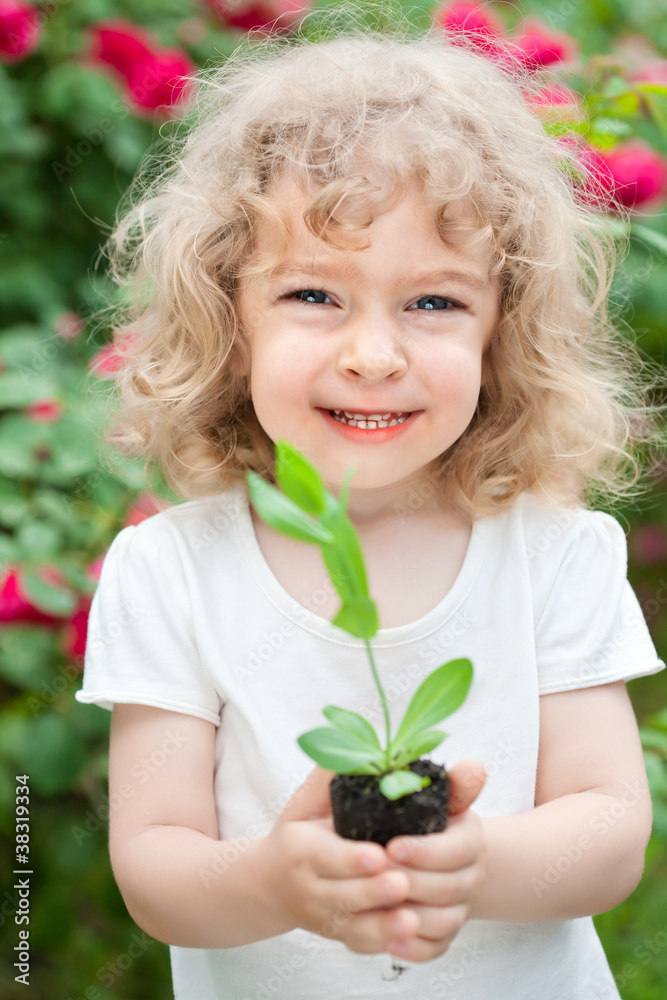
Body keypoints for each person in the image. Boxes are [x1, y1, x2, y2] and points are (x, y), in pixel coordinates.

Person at [76, 11, 666, 1000]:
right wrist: (275, 880)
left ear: (501, 333)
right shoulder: (170, 571)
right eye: (314, 294)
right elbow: (157, 866)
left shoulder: (557, 553)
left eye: (433, 302)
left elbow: (608, 831)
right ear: (228, 318)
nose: (374, 353)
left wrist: (478, 863)